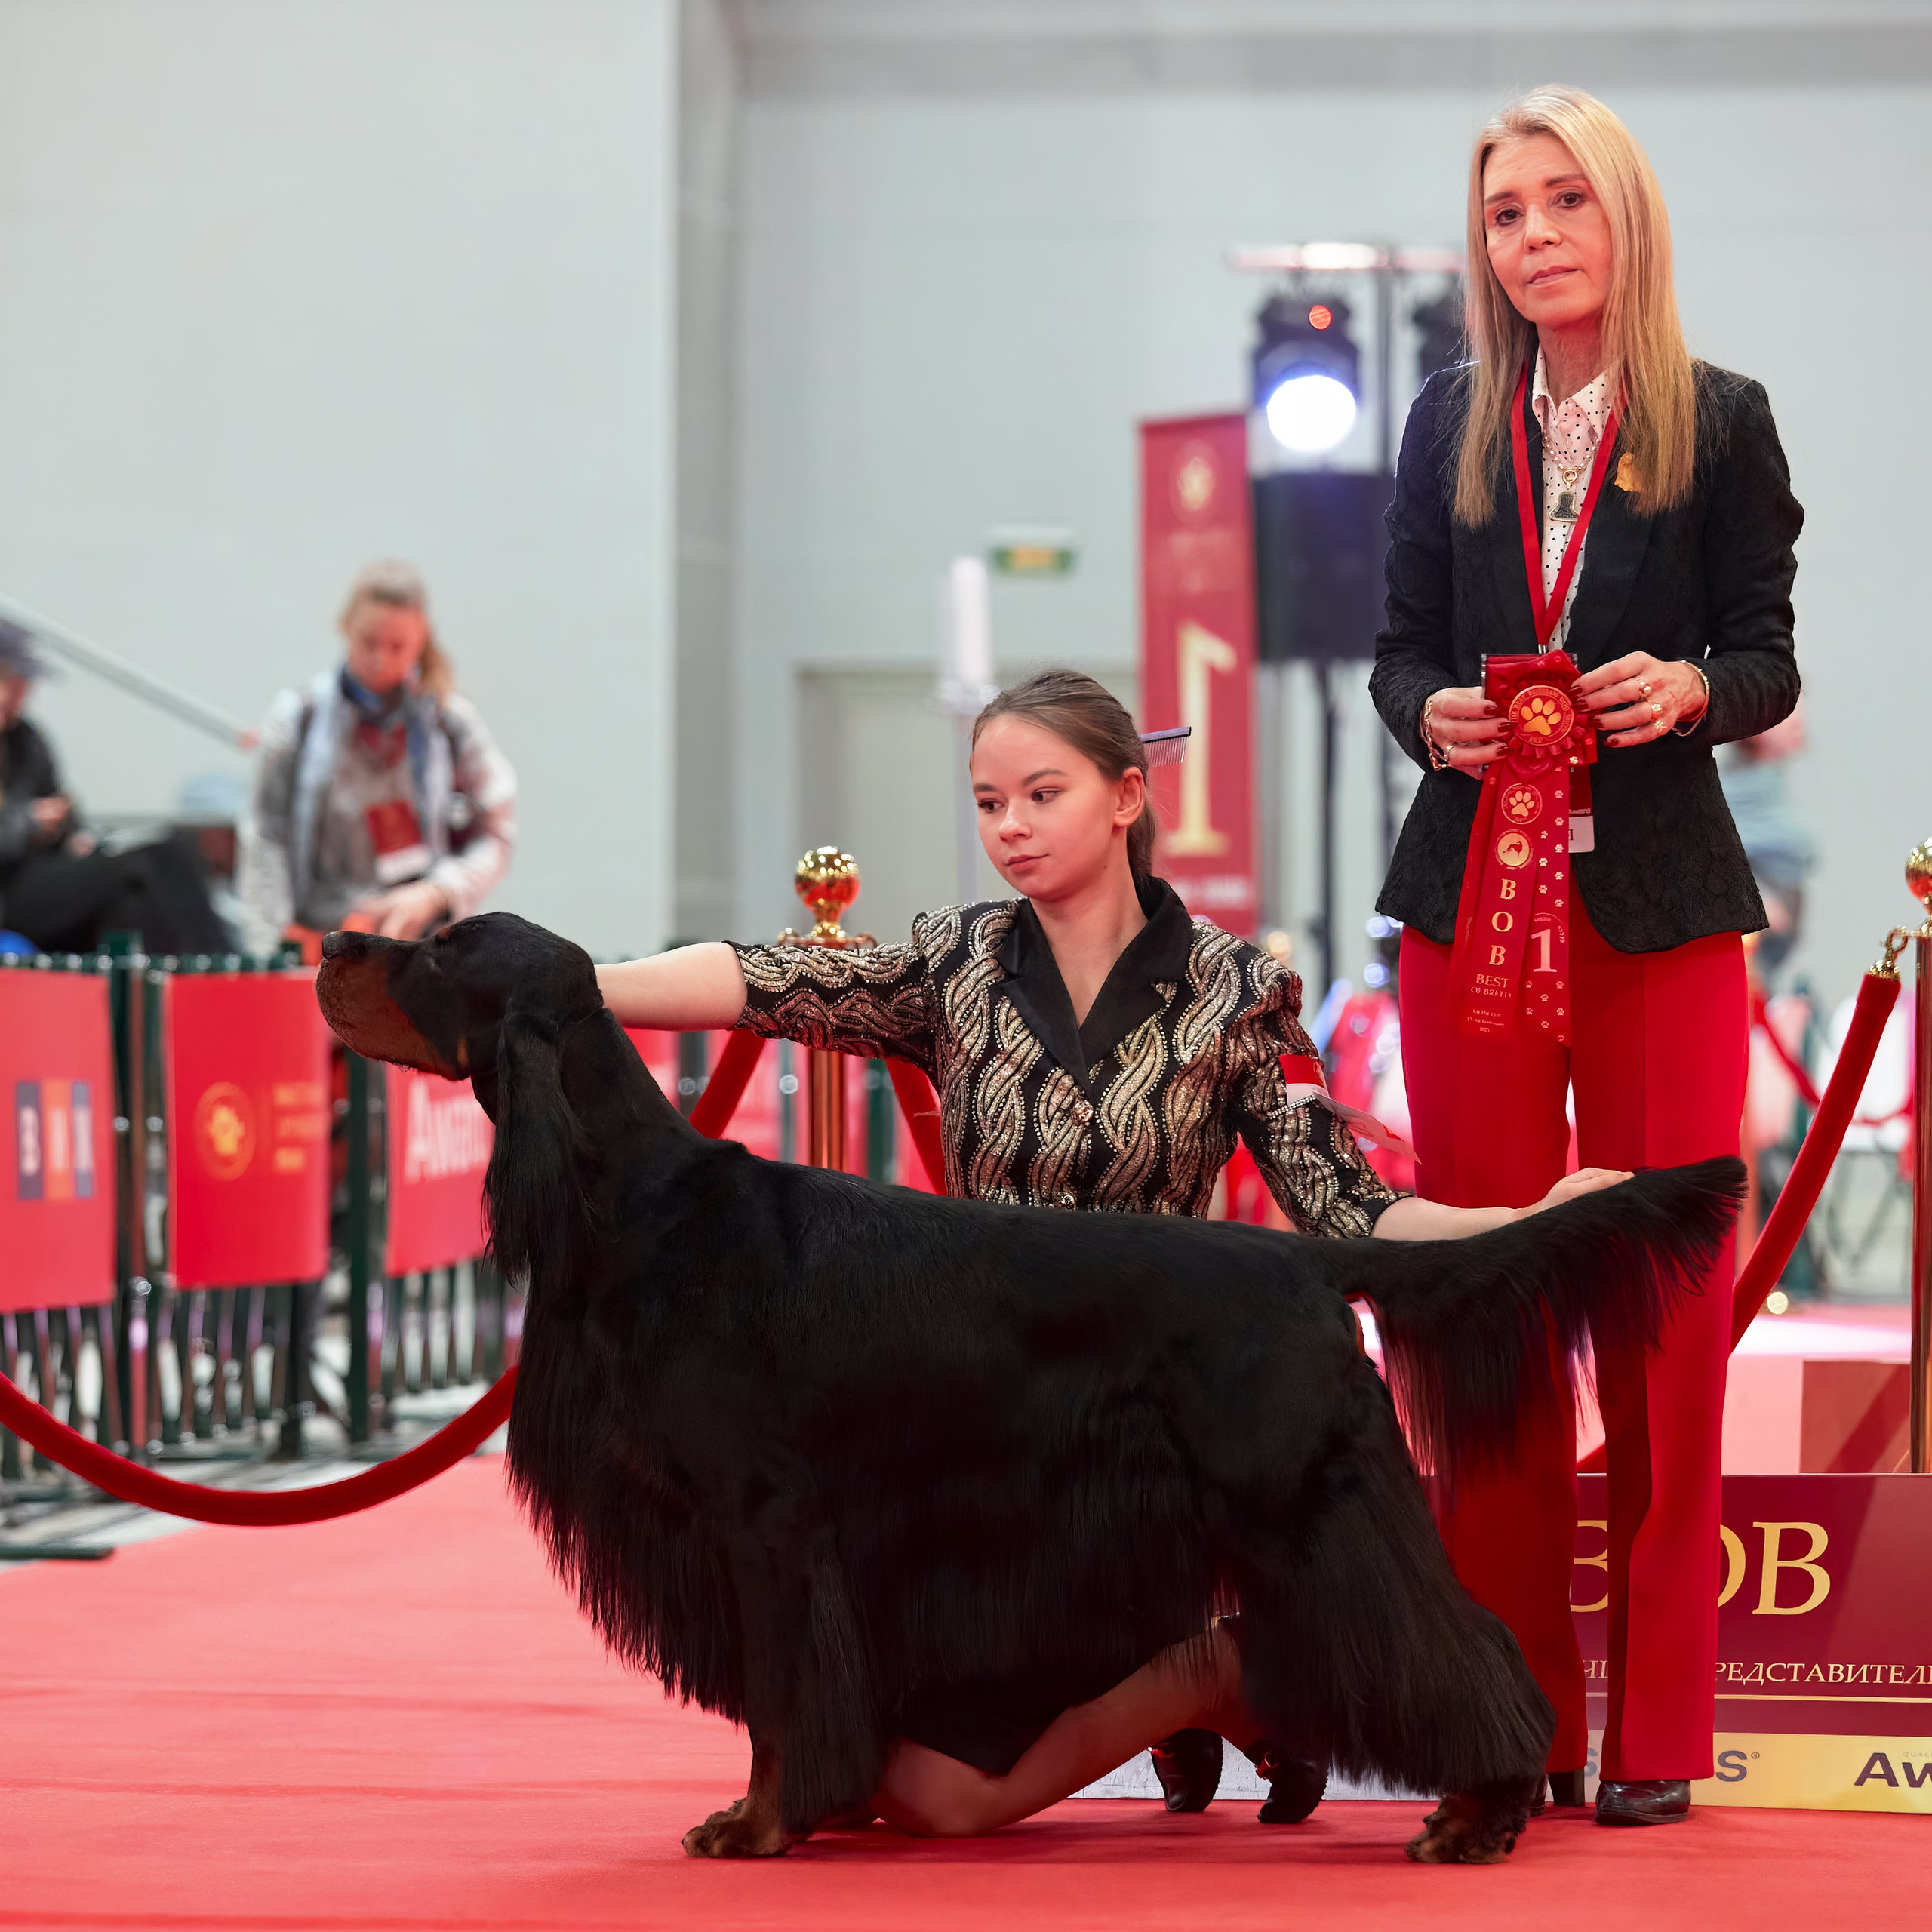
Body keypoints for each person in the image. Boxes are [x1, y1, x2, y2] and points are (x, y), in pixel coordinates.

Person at [597, 668, 1624, 1833]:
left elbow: (1349, 1211)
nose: (1011, 829)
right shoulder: (955, 964)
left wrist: (1528, 1224)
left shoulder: (1239, 991)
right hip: (972, 1458)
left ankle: (1225, 1670)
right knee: (857, 1785)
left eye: (1043, 794)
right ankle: (1173, 1689)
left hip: (1157, 1449)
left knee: (940, 1800)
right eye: (988, 804)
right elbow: (765, 979)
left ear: (1128, 795)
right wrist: (581, 989)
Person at [1369, 86, 1801, 1826]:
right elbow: (1391, 655)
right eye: (1502, 214)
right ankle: (1509, 1711)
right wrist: (1439, 720)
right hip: (1467, 907)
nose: (1532, 235)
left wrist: (1699, 686)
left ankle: (1656, 1730)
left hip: (1659, 918)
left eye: (1563, 203)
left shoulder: (1722, 419)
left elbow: (1765, 654)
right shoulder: (1441, 421)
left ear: (1623, 221)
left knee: (1664, 1309)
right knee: (1484, 1309)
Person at [238, 561, 517, 954]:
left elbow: (497, 836)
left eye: (398, 647)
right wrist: (270, 953)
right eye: (369, 642)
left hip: (423, 949)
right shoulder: (297, 719)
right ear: (346, 627)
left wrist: (438, 892)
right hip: (320, 948)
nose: (381, 659)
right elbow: (265, 838)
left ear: (421, 640)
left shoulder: (451, 723)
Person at [0, 620, 231, 956]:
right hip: (12, 891)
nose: (22, 695)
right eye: (12, 681)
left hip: (41, 876)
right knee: (154, 860)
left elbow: (61, 807)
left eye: (25, 684)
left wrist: (67, 831)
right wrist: (29, 823)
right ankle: (222, 970)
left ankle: (154, 999)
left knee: (135, 902)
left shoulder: (27, 741)